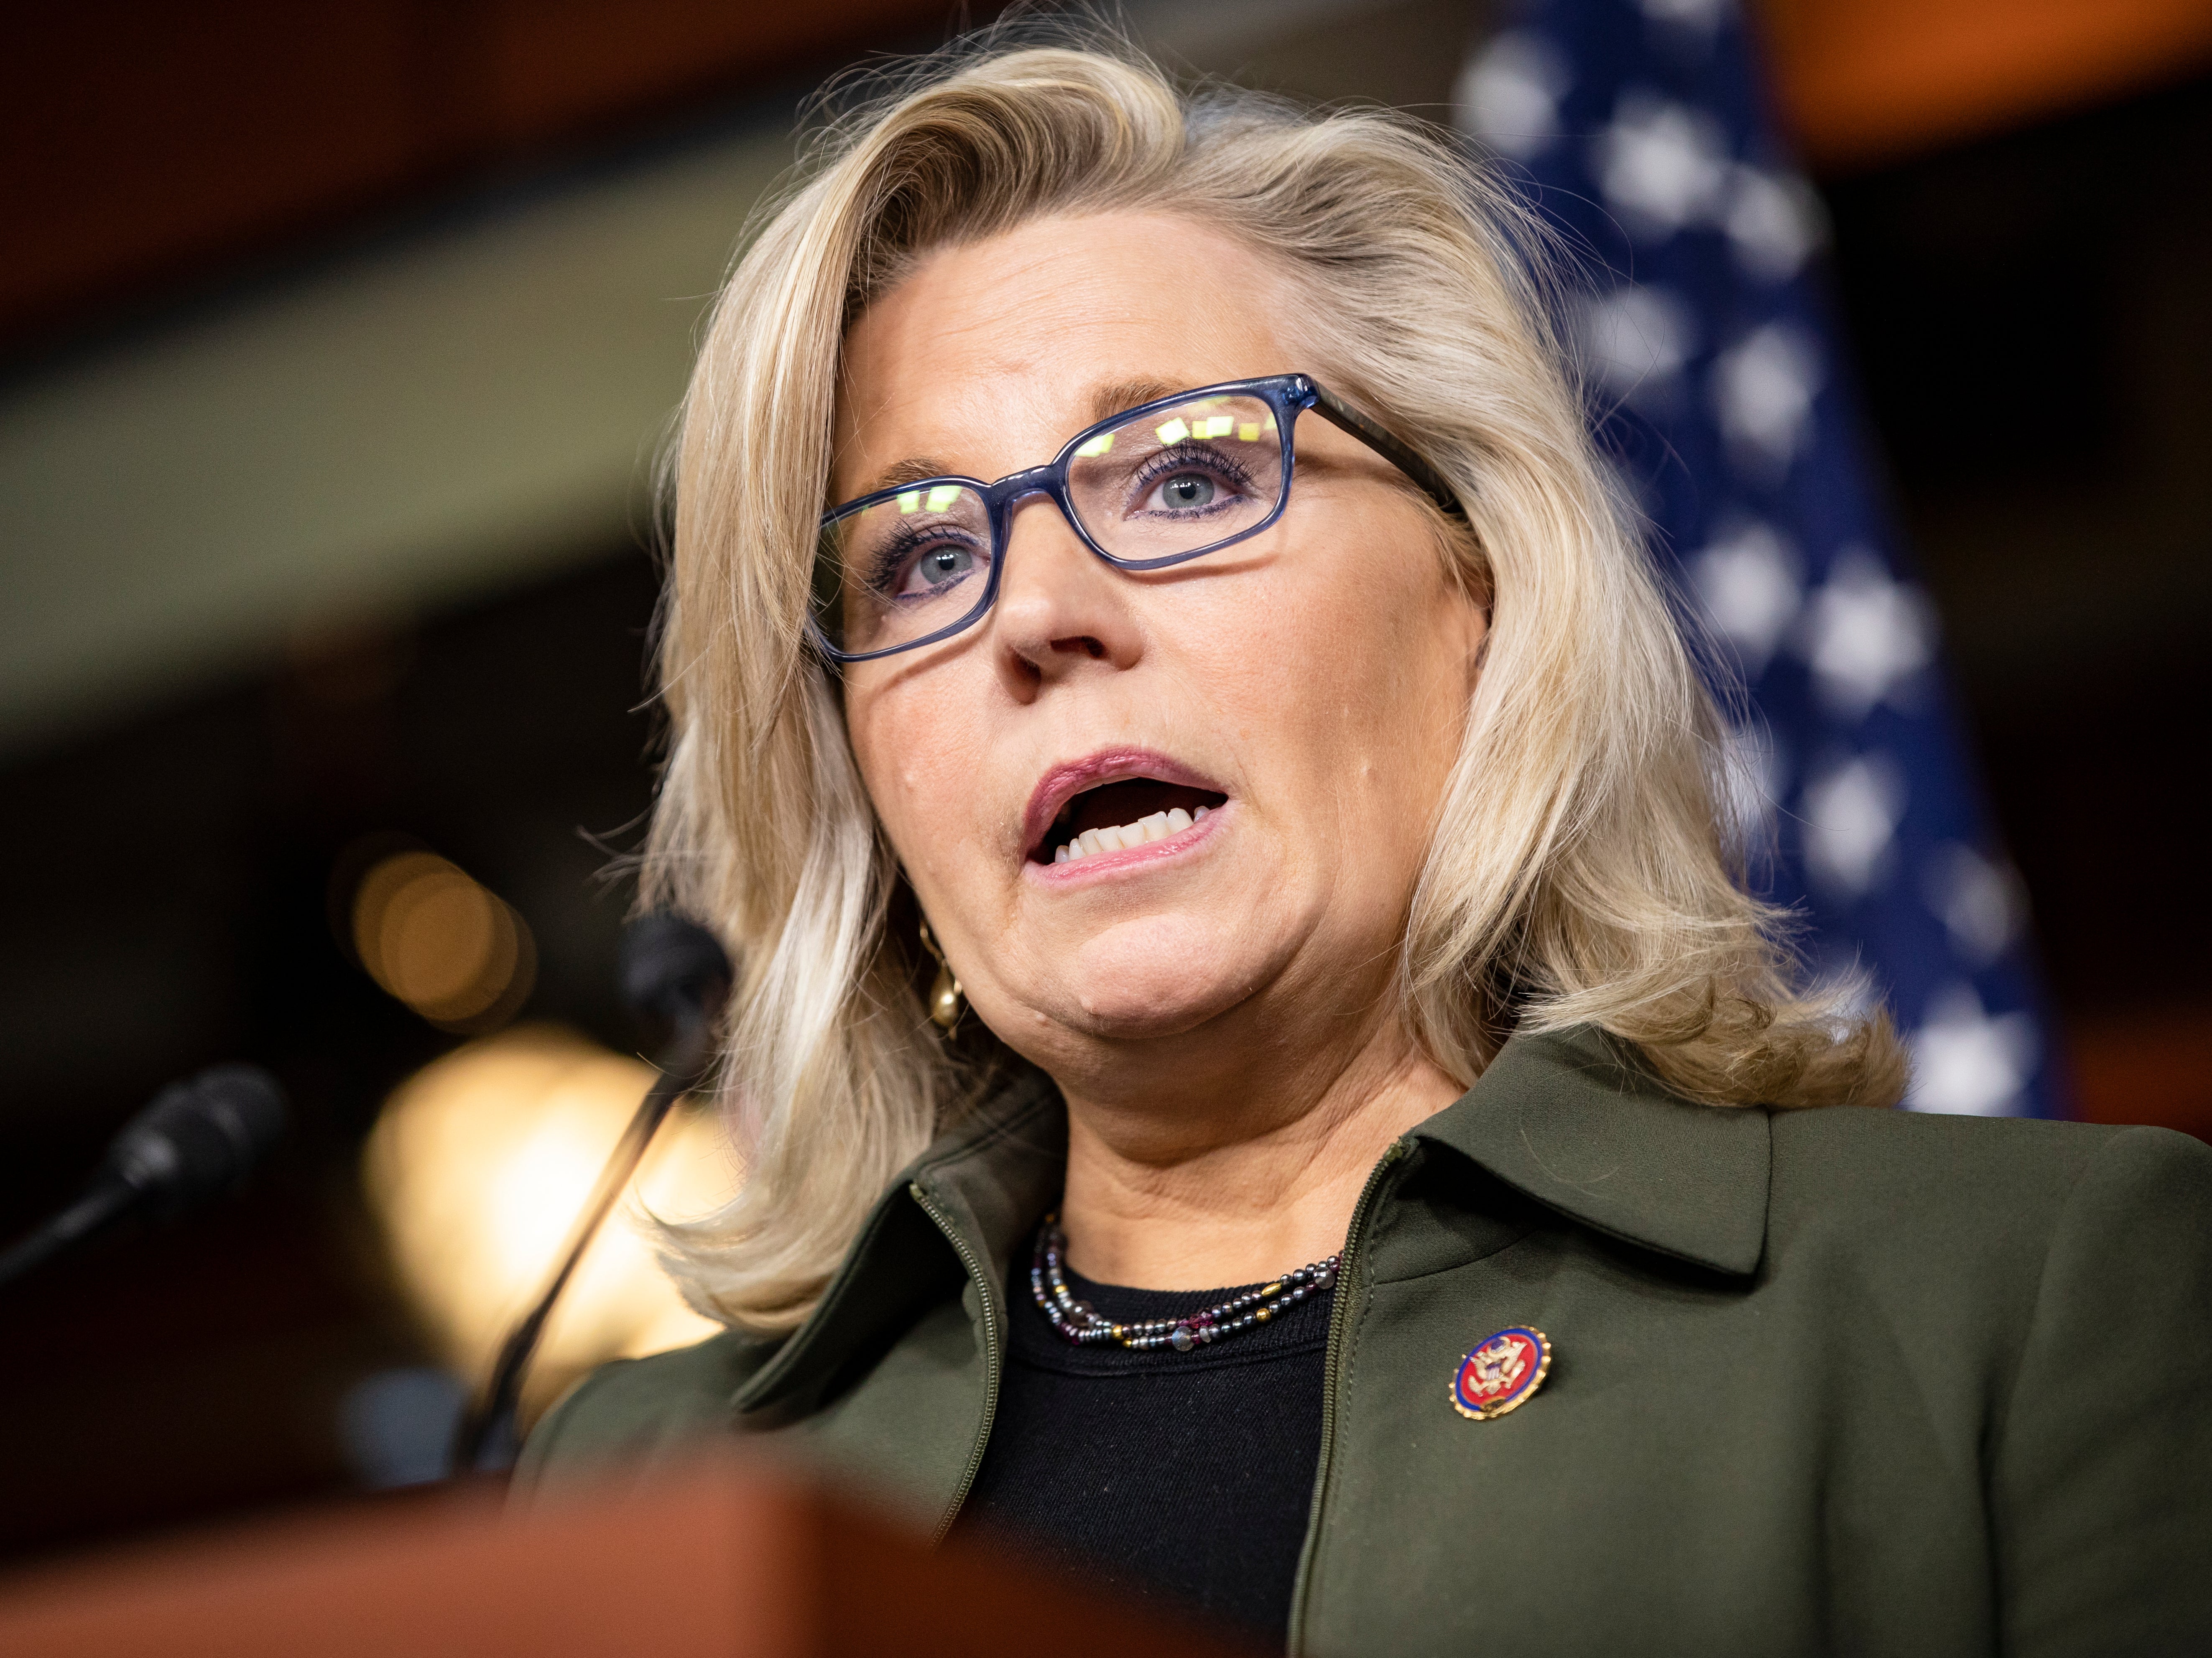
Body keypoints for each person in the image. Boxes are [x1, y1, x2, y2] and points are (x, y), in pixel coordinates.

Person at [515, 32, 2212, 1655]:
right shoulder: (640, 1483)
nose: (1034, 610)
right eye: (918, 557)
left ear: (1477, 585)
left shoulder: (2028, 1290)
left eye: (1184, 475)